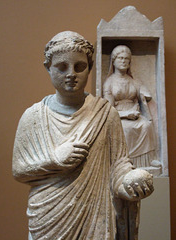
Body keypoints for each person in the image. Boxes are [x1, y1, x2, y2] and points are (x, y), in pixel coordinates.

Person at [13, 32, 153, 240]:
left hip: (95, 214)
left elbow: (119, 166)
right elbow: (20, 170)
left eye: (80, 67)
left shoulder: (106, 114)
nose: (71, 74)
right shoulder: (33, 116)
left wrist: (130, 182)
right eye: (62, 67)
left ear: (90, 67)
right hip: (47, 216)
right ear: (48, 68)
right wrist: (55, 160)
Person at [103, 45, 156, 168]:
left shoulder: (134, 81)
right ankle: (124, 163)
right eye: (120, 58)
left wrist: (143, 95)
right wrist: (125, 114)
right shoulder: (109, 83)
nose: (123, 61)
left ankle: (147, 161)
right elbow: (109, 109)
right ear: (114, 61)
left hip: (135, 114)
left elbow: (145, 94)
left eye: (126, 59)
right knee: (125, 129)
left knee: (146, 126)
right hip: (118, 116)